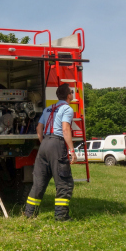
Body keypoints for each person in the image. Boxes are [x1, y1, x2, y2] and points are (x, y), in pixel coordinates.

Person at [23, 83, 78, 221]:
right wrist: (72, 150)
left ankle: (29, 214)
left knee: (39, 183)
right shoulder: (67, 109)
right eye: (71, 92)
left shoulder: (48, 109)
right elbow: (65, 129)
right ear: (68, 95)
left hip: (45, 144)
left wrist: (44, 144)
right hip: (57, 143)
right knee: (64, 182)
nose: (72, 94)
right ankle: (61, 216)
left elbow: (39, 129)